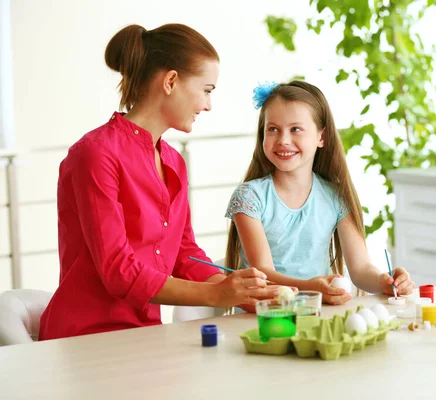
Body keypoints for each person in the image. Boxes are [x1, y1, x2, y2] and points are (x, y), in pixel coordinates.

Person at [39, 23, 278, 341]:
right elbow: (117, 271)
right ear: (171, 81)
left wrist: (237, 290)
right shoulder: (95, 155)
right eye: (206, 90)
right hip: (85, 337)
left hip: (144, 334)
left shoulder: (173, 162)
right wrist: (215, 296)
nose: (208, 105)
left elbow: (184, 252)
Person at [224, 80, 415, 305]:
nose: (283, 140)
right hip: (266, 318)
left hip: (319, 315)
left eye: (295, 129)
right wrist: (311, 289)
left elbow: (361, 269)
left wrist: (385, 281)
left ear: (321, 137)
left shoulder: (335, 196)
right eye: (273, 129)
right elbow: (264, 276)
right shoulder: (249, 198)